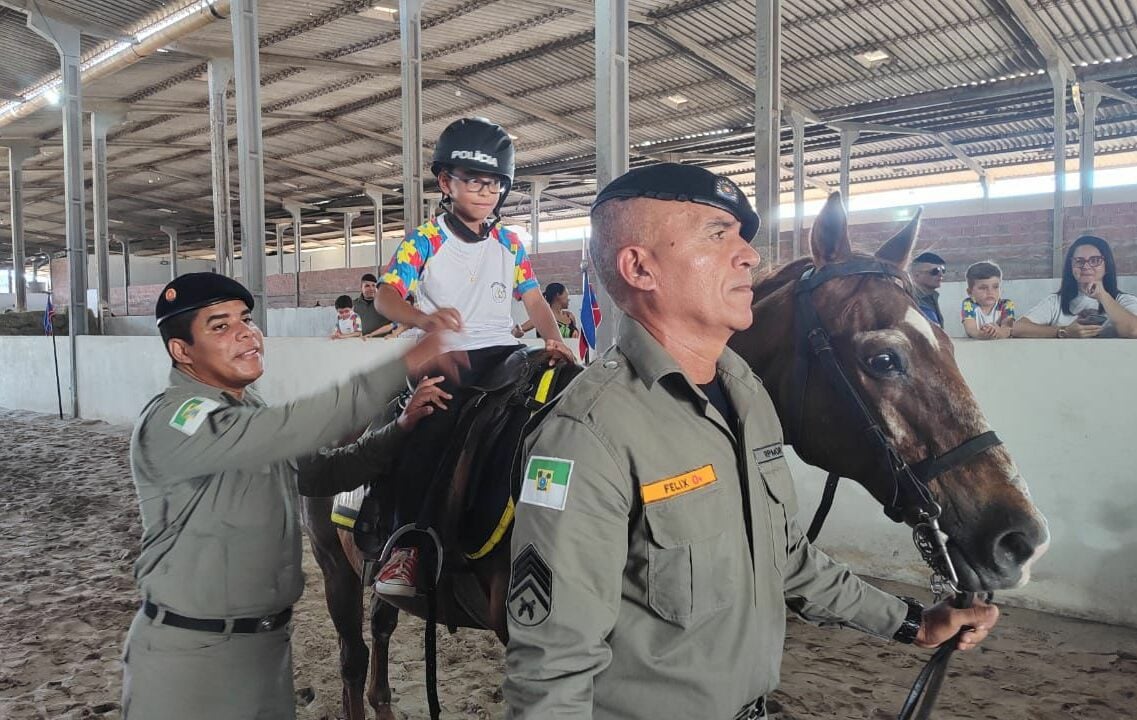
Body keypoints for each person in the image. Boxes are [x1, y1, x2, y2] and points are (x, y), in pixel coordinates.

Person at [503, 163, 999, 719]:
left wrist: (913, 623)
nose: (749, 256)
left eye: (742, 237)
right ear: (640, 267)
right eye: (718, 235)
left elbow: (784, 557)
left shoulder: (748, 395)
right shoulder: (586, 435)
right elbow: (552, 668)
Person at [120, 272, 450, 720]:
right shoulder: (178, 417)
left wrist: (401, 426)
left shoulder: (250, 411)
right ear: (182, 351)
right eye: (220, 326)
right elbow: (295, 425)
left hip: (266, 649)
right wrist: (402, 365)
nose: (245, 333)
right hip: (194, 660)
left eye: (246, 319)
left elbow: (325, 472)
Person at [371, 117, 575, 595]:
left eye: (495, 184)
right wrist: (424, 320)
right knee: (432, 423)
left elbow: (532, 298)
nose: (486, 193)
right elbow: (386, 297)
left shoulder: (510, 242)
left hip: (503, 350)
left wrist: (552, 338)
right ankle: (408, 543)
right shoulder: (425, 239)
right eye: (475, 182)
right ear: (446, 182)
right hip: (446, 355)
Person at [1013, 235, 1137, 339]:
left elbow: (1133, 330)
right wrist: (1064, 331)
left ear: (1107, 265)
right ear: (1071, 267)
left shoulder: (1124, 300)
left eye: (1095, 260)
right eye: (1079, 261)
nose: (1086, 266)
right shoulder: (1056, 302)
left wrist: (1103, 296)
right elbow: (1016, 328)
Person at [961, 260, 1015, 339]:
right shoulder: (969, 304)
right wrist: (980, 334)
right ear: (970, 292)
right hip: (976, 345)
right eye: (983, 288)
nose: (990, 292)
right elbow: (970, 329)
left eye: (995, 287)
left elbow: (1008, 328)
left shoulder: (1006, 304)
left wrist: (999, 333)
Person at [512, 281, 579, 339]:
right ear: (558, 295)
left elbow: (576, 339)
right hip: (548, 352)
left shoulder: (570, 316)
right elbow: (518, 330)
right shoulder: (543, 316)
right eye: (566, 296)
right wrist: (517, 332)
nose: (568, 299)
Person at [354, 273, 396, 339]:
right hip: (362, 343)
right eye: (367, 286)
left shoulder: (386, 303)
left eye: (374, 285)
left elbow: (395, 324)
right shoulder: (354, 305)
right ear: (361, 288)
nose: (371, 288)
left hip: (383, 343)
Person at [910, 251, 946, 327]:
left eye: (943, 270)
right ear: (916, 275)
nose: (941, 274)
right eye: (935, 271)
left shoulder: (931, 296)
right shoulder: (910, 298)